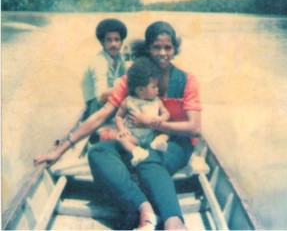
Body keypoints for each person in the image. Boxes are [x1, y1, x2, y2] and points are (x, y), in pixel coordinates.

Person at [34, 21, 202, 230]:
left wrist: (150, 122)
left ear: (174, 49)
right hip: (138, 139)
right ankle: (144, 209)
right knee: (98, 152)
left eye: (167, 47)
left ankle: (174, 223)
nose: (162, 53)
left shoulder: (187, 80)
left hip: (173, 142)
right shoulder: (133, 79)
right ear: (148, 49)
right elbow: (101, 115)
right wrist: (60, 150)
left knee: (148, 160)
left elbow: (194, 128)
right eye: (156, 47)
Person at [115, 57, 170, 167]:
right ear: (140, 90)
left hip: (152, 135)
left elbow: (166, 113)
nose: (157, 89)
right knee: (120, 138)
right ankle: (136, 151)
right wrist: (122, 129)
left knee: (166, 132)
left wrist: (161, 118)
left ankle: (158, 143)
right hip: (134, 137)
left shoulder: (157, 101)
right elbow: (118, 117)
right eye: (154, 87)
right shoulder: (128, 101)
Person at [81, 18, 127, 120]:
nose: (113, 44)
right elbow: (101, 97)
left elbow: (126, 77)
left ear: (121, 42)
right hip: (94, 107)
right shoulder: (99, 61)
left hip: (110, 102)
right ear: (102, 43)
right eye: (109, 40)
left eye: (116, 40)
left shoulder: (120, 58)